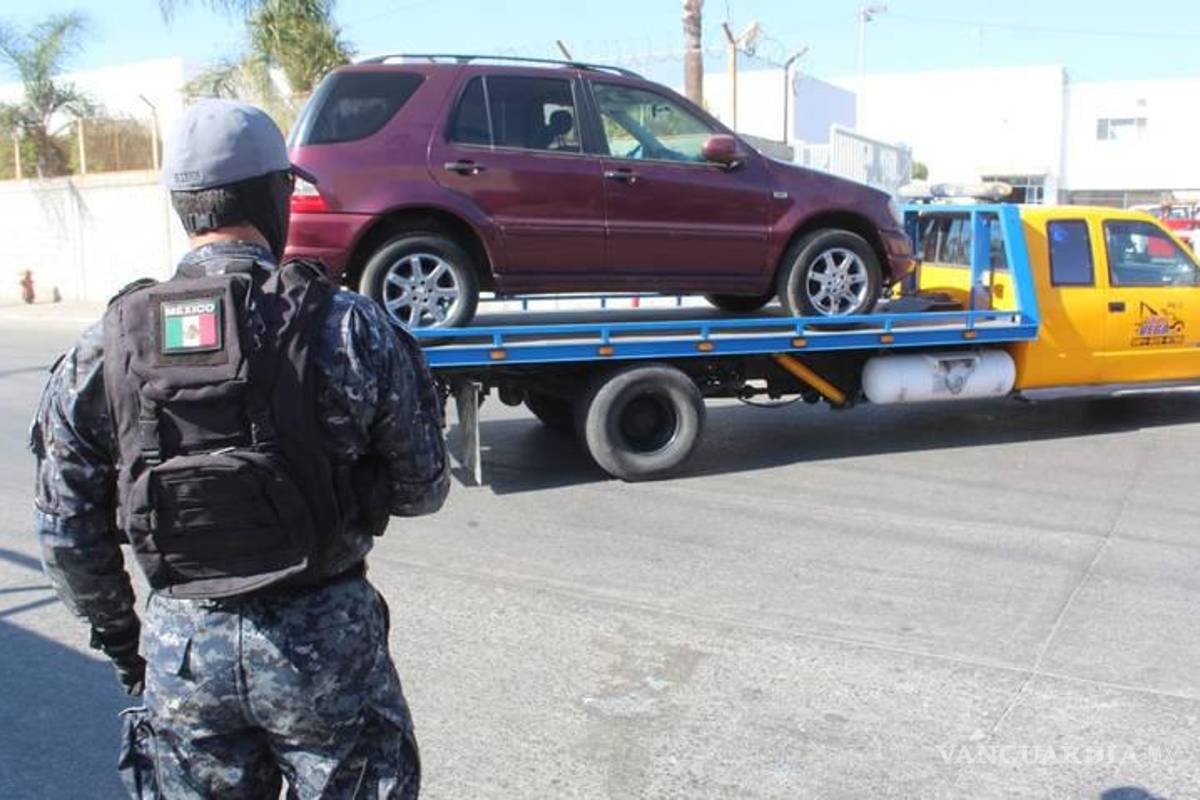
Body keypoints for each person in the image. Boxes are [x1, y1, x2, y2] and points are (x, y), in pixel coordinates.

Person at [30, 99, 449, 798]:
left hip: (183, 653)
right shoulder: (349, 326)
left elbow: (66, 530)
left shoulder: (106, 345)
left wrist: (127, 644)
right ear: (273, 197)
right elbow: (423, 489)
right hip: (328, 647)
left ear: (183, 205)